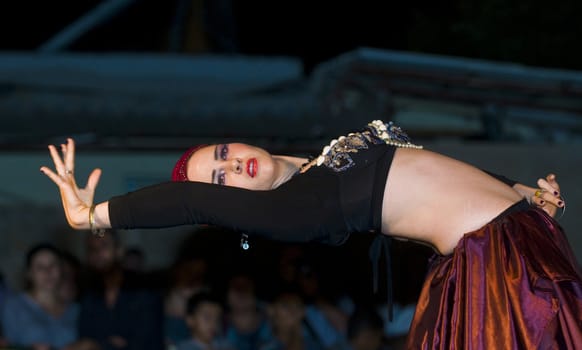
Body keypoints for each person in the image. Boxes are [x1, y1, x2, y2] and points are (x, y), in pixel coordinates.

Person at [41, 120, 580, 348]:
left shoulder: (320, 163)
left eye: (224, 156)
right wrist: (93, 216)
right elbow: (184, 198)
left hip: (518, 231)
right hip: (494, 265)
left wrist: (522, 193)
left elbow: (435, 169)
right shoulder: (293, 209)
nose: (232, 169)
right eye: (219, 182)